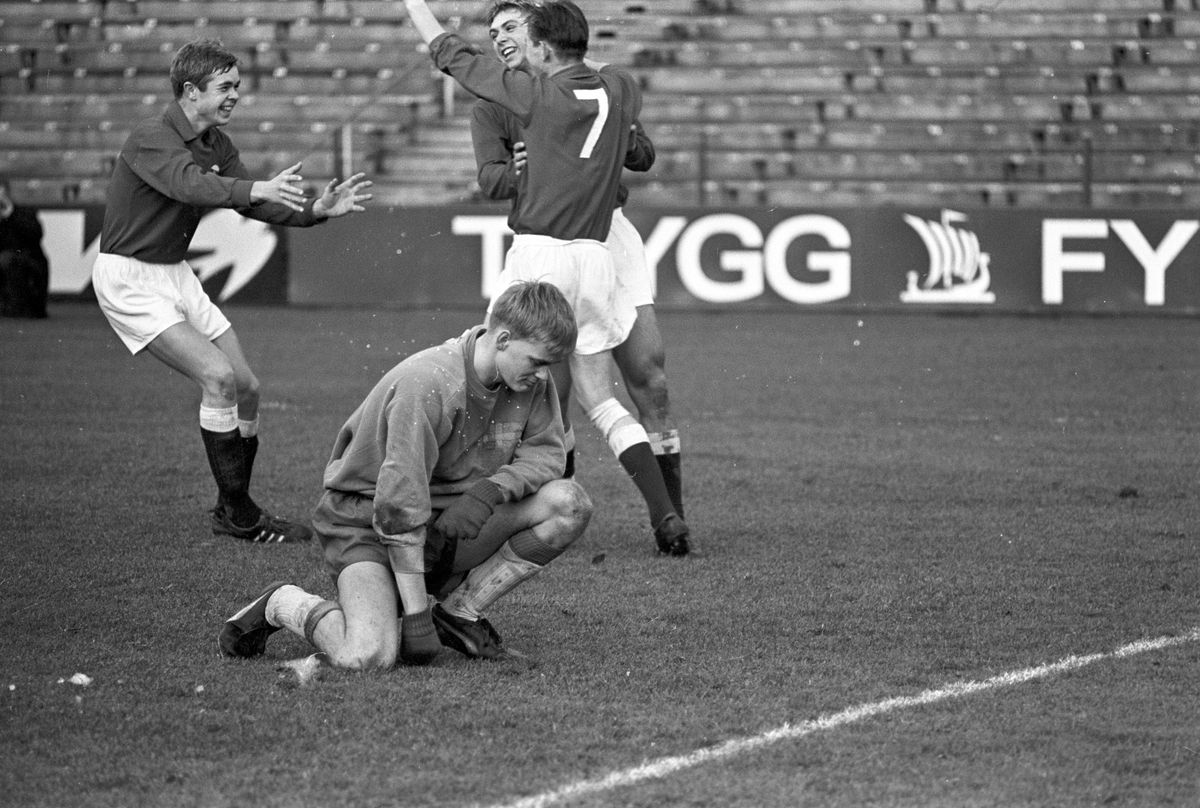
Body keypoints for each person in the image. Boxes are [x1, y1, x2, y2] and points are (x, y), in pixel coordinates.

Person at [402, 0, 691, 556]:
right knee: (590, 397)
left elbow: (450, 55)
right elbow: (493, 178)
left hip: (552, 249)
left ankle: (456, 503)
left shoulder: (530, 94)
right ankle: (655, 515)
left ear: (538, 41)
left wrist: (417, 7)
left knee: (488, 367)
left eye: (513, 27)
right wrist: (530, 166)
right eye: (493, 32)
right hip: (591, 254)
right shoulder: (615, 84)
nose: (502, 37)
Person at [219, 281, 592, 669]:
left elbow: (549, 456)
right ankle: (281, 602)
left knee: (569, 504)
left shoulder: (529, 382)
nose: (543, 375)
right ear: (502, 339)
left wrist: (490, 492)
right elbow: (399, 506)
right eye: (536, 361)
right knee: (368, 657)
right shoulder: (430, 384)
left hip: (445, 523)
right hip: (367, 522)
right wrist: (415, 617)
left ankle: (459, 615)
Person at [91, 38, 373, 544]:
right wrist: (254, 188)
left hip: (174, 274)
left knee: (246, 386)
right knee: (218, 378)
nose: (234, 96)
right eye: (224, 87)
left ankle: (230, 507)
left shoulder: (217, 144)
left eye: (236, 86)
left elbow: (252, 203)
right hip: (129, 279)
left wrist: (315, 212)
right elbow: (188, 186)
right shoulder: (150, 138)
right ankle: (240, 513)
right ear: (191, 91)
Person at [0, 177, 50, 319]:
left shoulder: (23, 213)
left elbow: (36, 234)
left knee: (6, 259)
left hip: (28, 260)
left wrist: (10, 215)